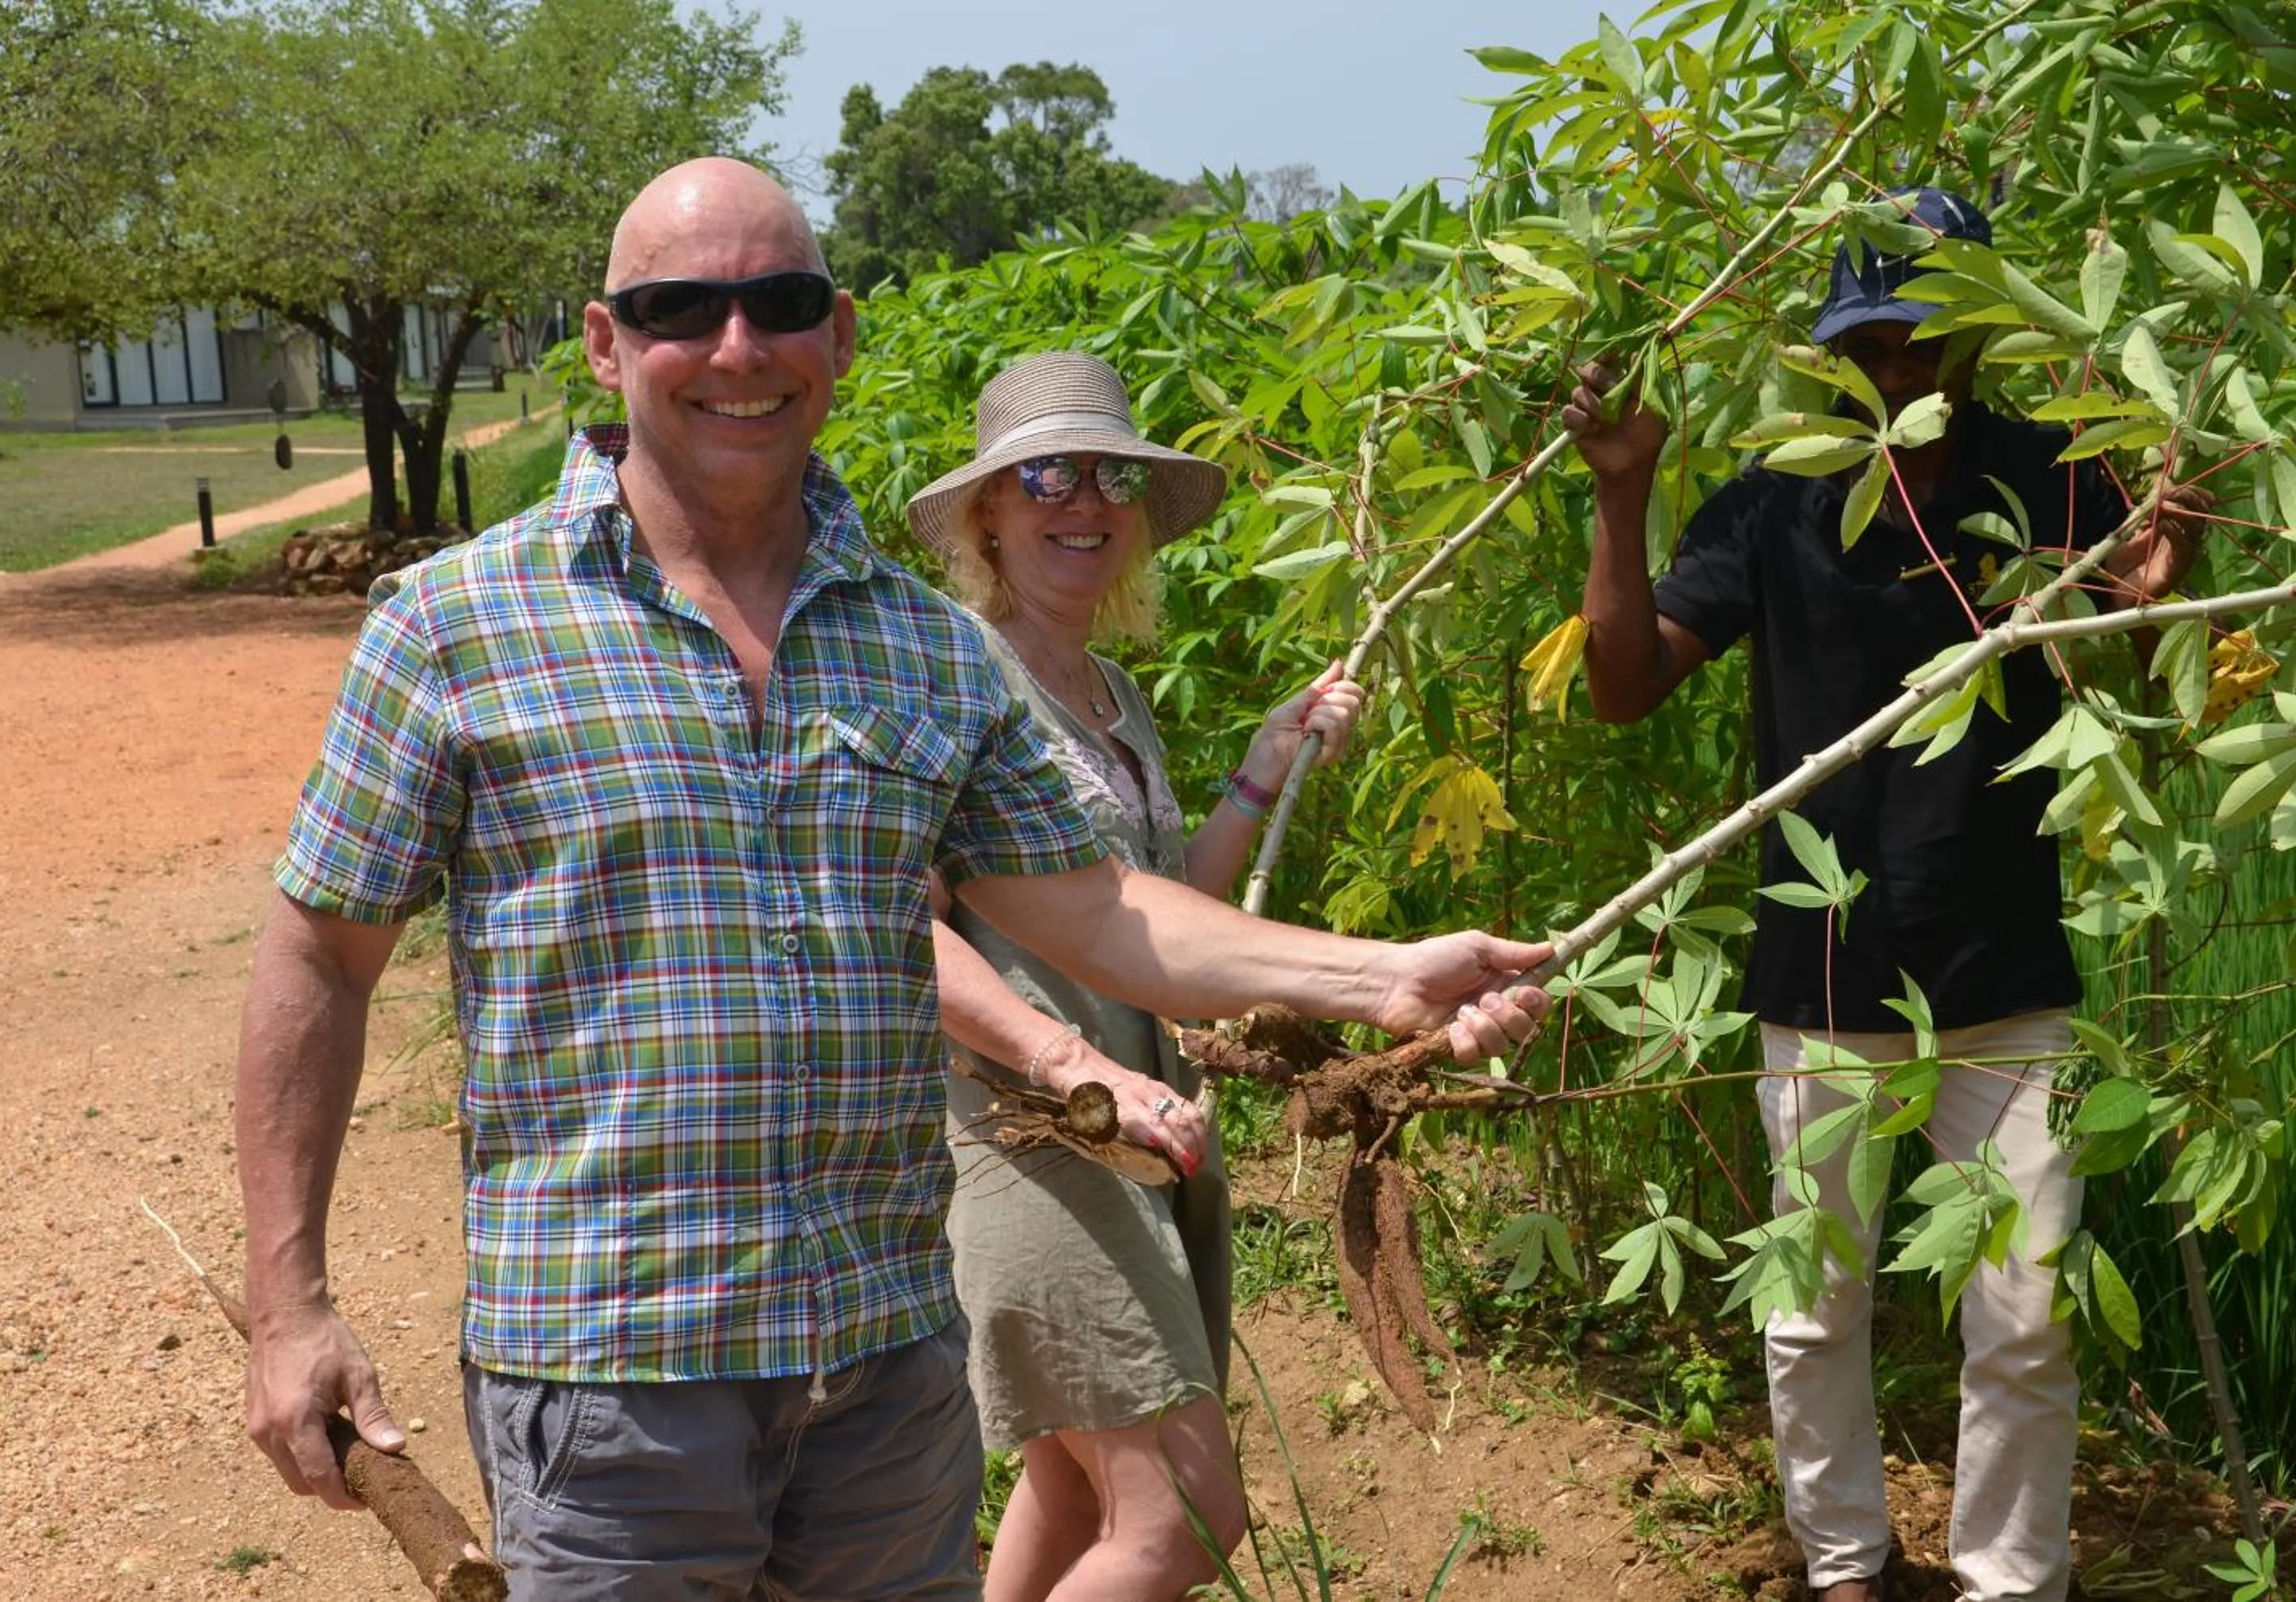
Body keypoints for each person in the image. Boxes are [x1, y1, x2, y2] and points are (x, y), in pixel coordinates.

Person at [233, 156, 1550, 1602]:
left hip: (881, 1375)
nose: (739, 347)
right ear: (606, 344)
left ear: (840, 333)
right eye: (682, 309)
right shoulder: (456, 624)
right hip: (612, 1378)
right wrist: (288, 1303)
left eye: (781, 302)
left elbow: (1096, 907)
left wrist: (1384, 979)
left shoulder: (919, 646)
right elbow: (320, 956)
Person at [1559, 188, 2207, 1602]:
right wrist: (1621, 489)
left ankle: (2011, 1580)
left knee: (2026, 1315)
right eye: (1871, 344)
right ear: (1834, 354)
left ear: (1980, 335)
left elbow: (2146, 650)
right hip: (1824, 974)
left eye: (1924, 336)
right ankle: (1843, 1567)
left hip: (2009, 975)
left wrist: (2169, 567)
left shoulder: (2057, 476)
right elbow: (1623, 686)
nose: (1899, 367)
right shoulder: (1775, 503)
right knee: (1811, 1308)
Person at [895, 350, 1362, 1600]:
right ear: (988, 513)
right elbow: (900, 929)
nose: (1086, 501)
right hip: (1033, 1140)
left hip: (1143, 1141)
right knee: (1187, 1516)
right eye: (1048, 474)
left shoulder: (1114, 695)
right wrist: (1069, 1062)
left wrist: (1261, 771)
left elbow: (1150, 922)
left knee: (1070, 1491)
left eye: (1113, 475)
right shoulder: (957, 679)